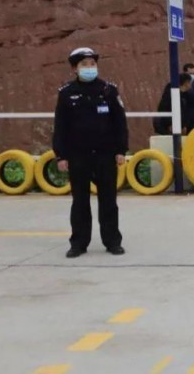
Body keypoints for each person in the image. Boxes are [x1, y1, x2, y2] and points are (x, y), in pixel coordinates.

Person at [52, 47, 128, 258]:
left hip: (105, 154)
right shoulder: (66, 93)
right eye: (84, 64)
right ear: (75, 69)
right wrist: (61, 155)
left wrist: (121, 150)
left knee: (108, 201)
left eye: (92, 64)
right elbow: (60, 126)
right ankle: (78, 243)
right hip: (78, 155)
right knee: (80, 202)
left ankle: (112, 241)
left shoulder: (108, 90)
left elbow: (120, 123)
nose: (89, 68)